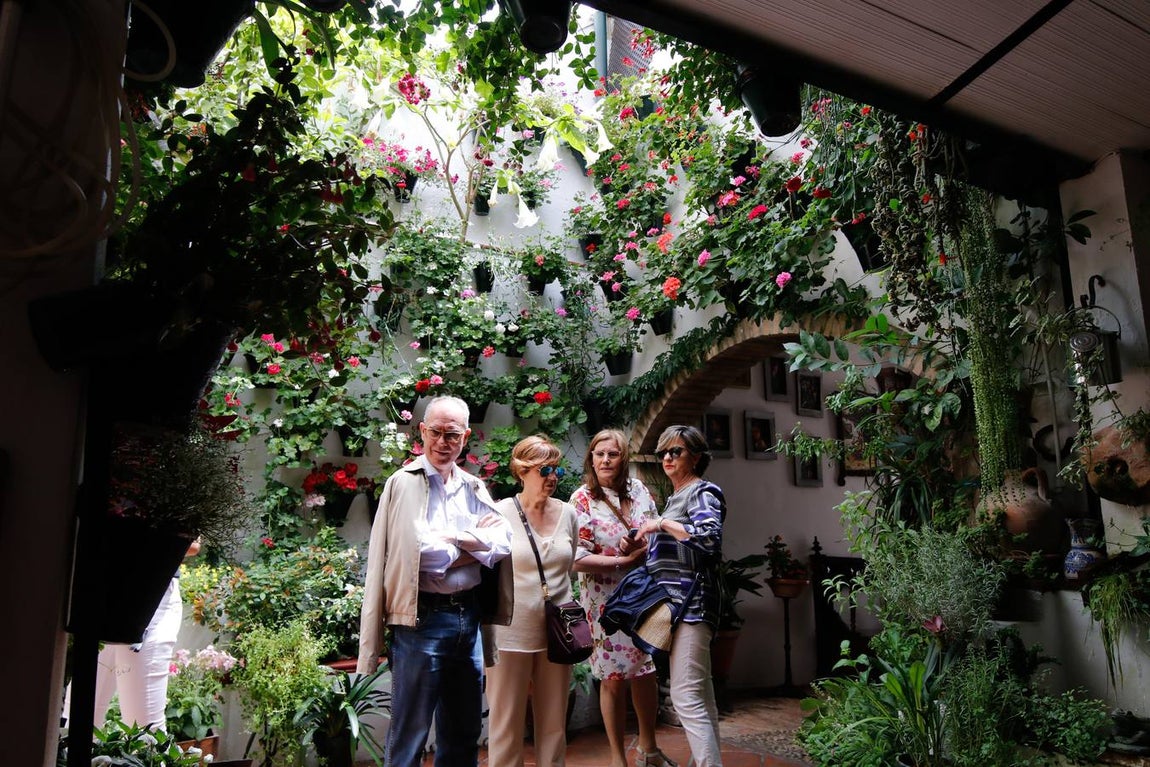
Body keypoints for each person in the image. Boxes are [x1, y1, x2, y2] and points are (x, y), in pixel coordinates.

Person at [357, 396, 513, 767]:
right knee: (410, 732)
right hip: (421, 620)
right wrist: (474, 544)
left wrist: (454, 539)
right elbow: (417, 556)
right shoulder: (403, 484)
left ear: (466, 437)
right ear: (423, 431)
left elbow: (503, 543)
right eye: (437, 433)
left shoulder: (474, 486)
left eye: (453, 435)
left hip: (468, 618)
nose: (444, 442)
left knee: (463, 731)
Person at [571, 429, 676, 767]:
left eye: (612, 454)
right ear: (591, 458)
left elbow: (655, 535)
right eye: (599, 454)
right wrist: (620, 559)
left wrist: (639, 549)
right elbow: (575, 557)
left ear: (623, 458)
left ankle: (649, 748)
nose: (605, 460)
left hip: (642, 594)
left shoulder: (639, 490)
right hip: (605, 601)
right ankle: (618, 758)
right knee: (613, 677)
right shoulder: (583, 499)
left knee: (646, 670)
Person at [629, 425, 725, 767]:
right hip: (681, 606)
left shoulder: (701, 492)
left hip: (693, 605)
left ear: (696, 457)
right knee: (702, 695)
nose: (668, 458)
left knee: (685, 697)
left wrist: (661, 525)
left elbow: (709, 538)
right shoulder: (676, 496)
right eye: (663, 453)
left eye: (676, 452)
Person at [486, 435, 579, 767]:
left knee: (554, 723)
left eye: (557, 470)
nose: (553, 477)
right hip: (510, 634)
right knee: (506, 723)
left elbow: (567, 569)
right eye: (545, 470)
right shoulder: (499, 513)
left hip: (558, 633)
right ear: (522, 471)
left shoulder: (568, 514)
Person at [65, 538, 201, 729]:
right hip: (102, 590)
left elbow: (192, 544)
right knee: (76, 719)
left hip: (150, 596)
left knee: (144, 727)